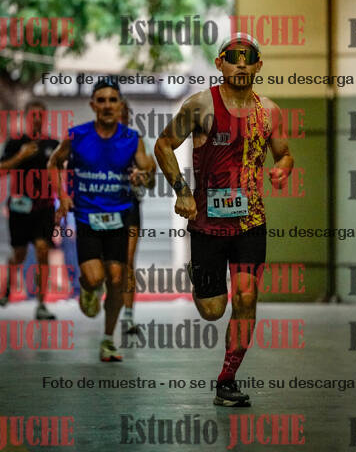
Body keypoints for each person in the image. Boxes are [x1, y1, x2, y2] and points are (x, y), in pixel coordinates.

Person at [155, 32, 294, 406]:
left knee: (246, 298)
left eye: (249, 57)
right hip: (208, 225)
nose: (241, 64)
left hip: (251, 223)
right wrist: (182, 191)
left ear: (258, 65)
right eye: (233, 57)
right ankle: (201, 278)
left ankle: (227, 381)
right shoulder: (201, 105)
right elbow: (163, 144)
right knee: (213, 309)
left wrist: (282, 168)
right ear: (220, 63)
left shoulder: (270, 111)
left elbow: (283, 153)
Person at [48, 78, 154, 361]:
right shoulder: (76, 136)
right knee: (96, 277)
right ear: (93, 104)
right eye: (102, 100)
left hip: (120, 217)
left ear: (120, 105)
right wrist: (62, 195)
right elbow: (53, 162)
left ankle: (108, 340)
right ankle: (88, 288)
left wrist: (143, 177)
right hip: (87, 217)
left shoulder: (132, 139)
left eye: (112, 100)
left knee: (117, 278)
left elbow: (150, 174)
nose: (107, 105)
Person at [0, 100, 58, 319]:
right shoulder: (15, 142)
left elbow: (61, 173)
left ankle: (41, 304)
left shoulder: (53, 144)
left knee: (43, 250)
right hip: (20, 208)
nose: (37, 119)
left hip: (44, 207)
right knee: (20, 254)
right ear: (26, 117)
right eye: (33, 115)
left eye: (40, 115)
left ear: (45, 117)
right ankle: (7, 287)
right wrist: (20, 157)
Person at [119, 98, 156, 335]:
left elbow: (151, 180)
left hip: (129, 205)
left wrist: (143, 177)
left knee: (127, 261)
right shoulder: (94, 141)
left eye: (125, 113)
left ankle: (128, 316)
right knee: (106, 265)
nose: (120, 117)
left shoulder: (138, 142)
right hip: (100, 206)